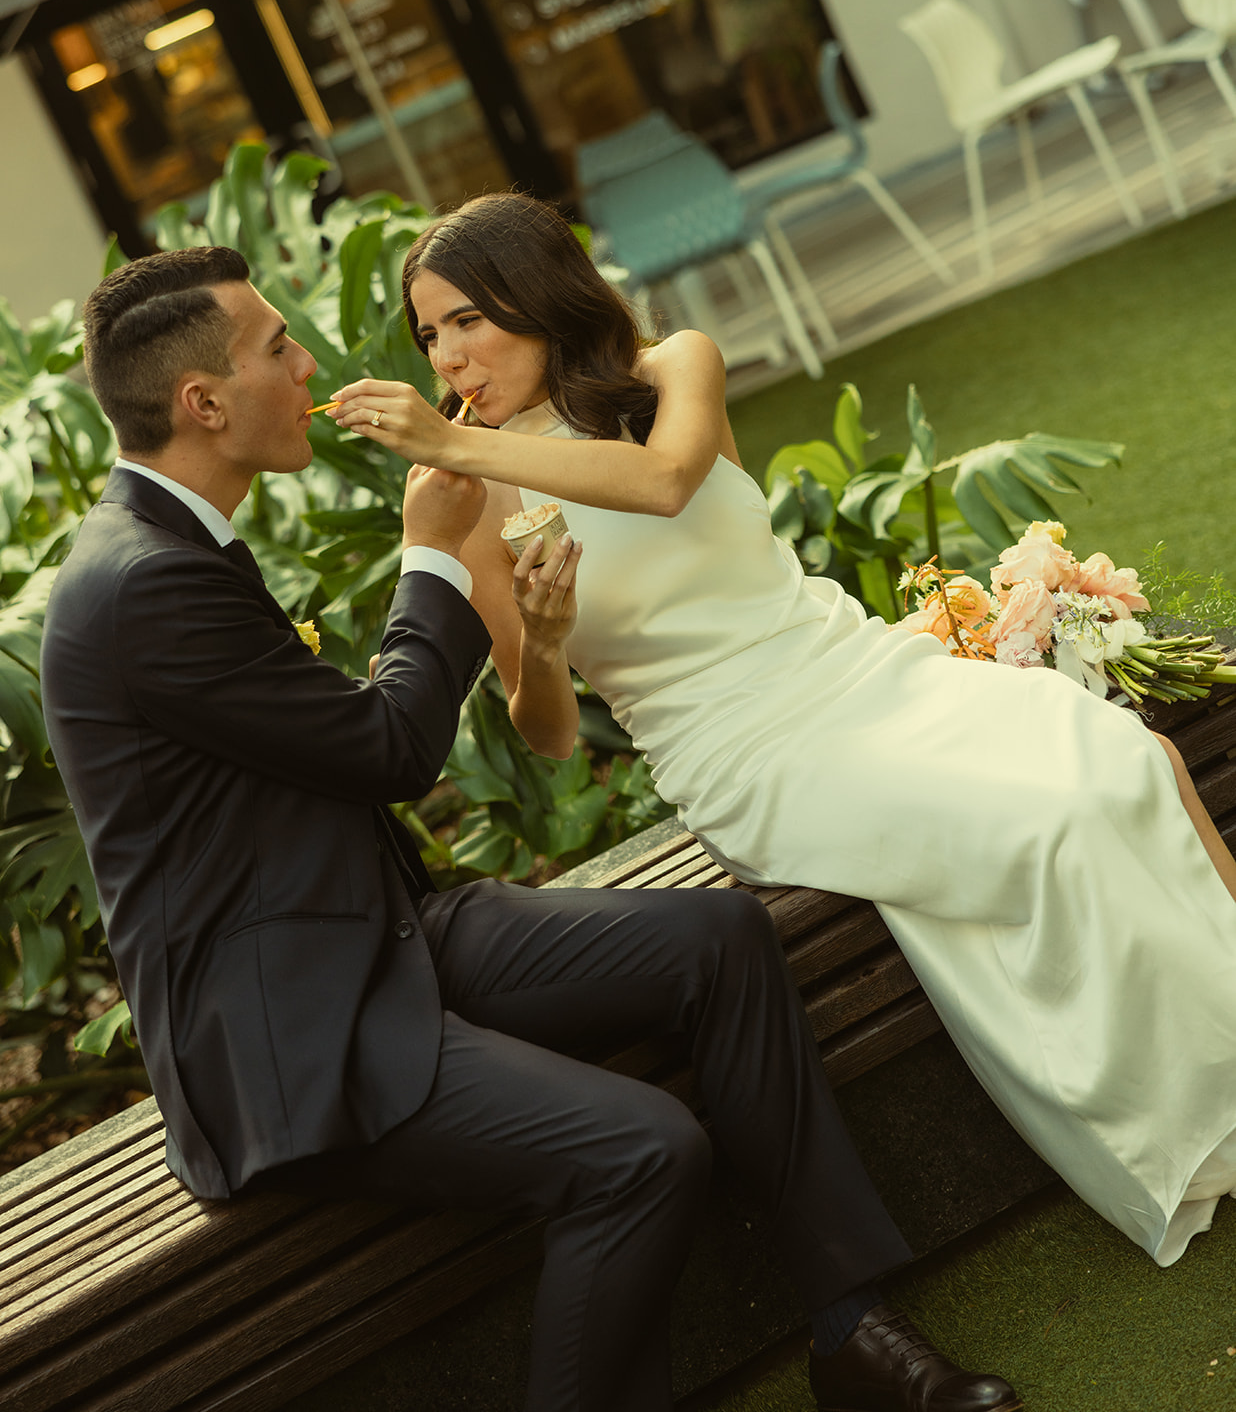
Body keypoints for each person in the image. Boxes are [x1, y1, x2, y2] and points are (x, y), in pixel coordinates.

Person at [41, 245, 1020, 1412]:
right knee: (643, 1151)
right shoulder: (144, 576)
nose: (307, 361)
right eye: (276, 349)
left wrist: (510, 616)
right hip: (289, 1034)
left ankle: (854, 1333)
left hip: (375, 936)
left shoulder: (165, 541)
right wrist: (430, 558)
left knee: (724, 945)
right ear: (203, 401)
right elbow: (387, 751)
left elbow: (328, 751)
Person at [329, 190, 1236, 1277]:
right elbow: (549, 732)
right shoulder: (460, 499)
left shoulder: (674, 370)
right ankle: (1193, 1122)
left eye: (467, 318)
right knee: (1049, 823)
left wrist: (457, 444)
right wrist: (550, 637)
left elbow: (666, 483)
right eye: (430, 334)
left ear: (535, 296)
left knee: (1127, 757)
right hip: (749, 753)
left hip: (851, 665)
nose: (450, 354)